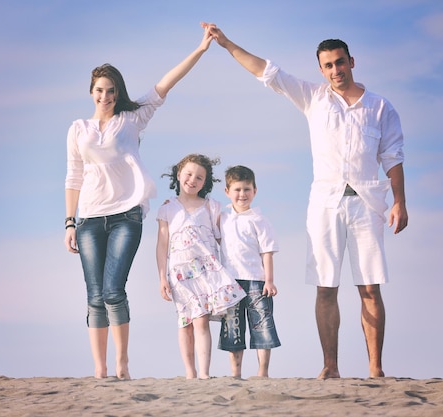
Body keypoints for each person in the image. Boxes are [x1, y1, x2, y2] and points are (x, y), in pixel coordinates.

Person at [205, 22, 408, 379]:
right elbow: (266, 72)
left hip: (366, 203)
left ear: (352, 61)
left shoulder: (379, 107)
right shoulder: (313, 97)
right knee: (326, 286)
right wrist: (225, 43)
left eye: (340, 62)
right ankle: (331, 366)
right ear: (321, 69)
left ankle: (375, 368)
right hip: (325, 203)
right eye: (328, 65)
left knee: (370, 287)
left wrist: (399, 202)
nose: (336, 70)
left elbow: (393, 156)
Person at [64, 27, 214, 380]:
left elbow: (166, 83)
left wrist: (201, 49)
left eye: (111, 90)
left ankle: (122, 363)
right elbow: (73, 178)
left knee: (114, 290)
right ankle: (100, 369)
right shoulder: (78, 130)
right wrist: (69, 222)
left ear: (119, 93)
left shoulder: (132, 118)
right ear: (91, 92)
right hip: (88, 219)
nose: (105, 96)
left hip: (126, 217)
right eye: (100, 90)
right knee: (95, 294)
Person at [156, 154, 247, 379]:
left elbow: (224, 238)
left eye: (199, 177)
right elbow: (161, 245)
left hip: (207, 271)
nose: (192, 180)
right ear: (178, 175)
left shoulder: (211, 206)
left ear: (205, 182)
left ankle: (204, 373)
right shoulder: (167, 208)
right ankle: (190, 372)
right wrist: (162, 278)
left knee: (202, 319)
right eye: (188, 174)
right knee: (185, 322)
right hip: (179, 274)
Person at [218, 165, 281, 378]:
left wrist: (269, 281)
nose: (242, 194)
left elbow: (267, 252)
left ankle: (262, 372)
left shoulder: (260, 220)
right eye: (237, 189)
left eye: (247, 189)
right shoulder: (223, 218)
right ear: (227, 192)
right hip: (230, 282)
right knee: (233, 329)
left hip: (256, 281)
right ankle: (235, 373)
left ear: (254, 191)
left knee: (261, 325)